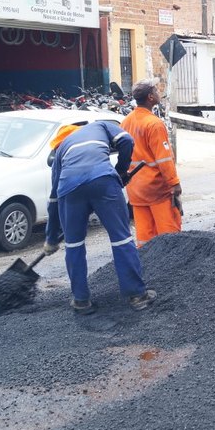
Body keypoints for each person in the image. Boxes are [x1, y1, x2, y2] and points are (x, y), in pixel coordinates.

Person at [44, 121, 157, 314]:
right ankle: (137, 296)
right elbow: (127, 140)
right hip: (103, 180)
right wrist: (121, 171)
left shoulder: (61, 151)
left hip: (70, 189)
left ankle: (81, 301)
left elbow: (54, 199)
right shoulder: (100, 126)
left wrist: (51, 238)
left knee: (73, 245)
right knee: (121, 239)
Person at [121, 78, 182, 247]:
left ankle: (146, 262)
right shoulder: (154, 124)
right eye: (155, 90)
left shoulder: (126, 122)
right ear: (150, 97)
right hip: (156, 189)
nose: (158, 92)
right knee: (170, 236)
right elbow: (164, 159)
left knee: (145, 237)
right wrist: (174, 183)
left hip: (136, 189)